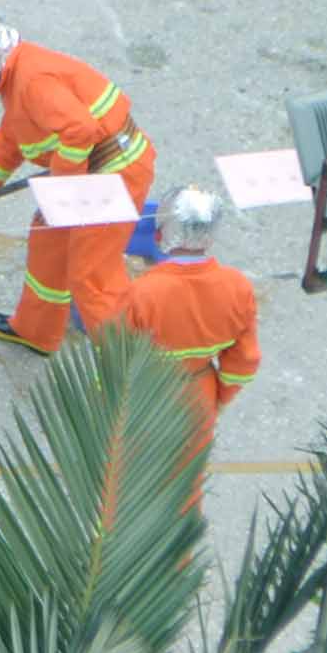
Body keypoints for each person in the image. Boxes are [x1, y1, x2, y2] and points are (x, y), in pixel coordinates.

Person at [0, 11, 152, 356]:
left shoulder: (32, 81)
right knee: (48, 242)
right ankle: (35, 330)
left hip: (112, 174)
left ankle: (127, 371)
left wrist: (63, 190)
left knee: (92, 276)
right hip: (94, 171)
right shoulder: (19, 83)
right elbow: (8, 147)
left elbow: (81, 130)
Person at [98, 186, 259, 465]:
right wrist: (218, 398)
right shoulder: (238, 287)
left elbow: (115, 357)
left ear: (162, 233)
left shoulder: (143, 293)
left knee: (131, 479)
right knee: (185, 486)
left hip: (144, 398)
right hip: (198, 396)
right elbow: (245, 361)